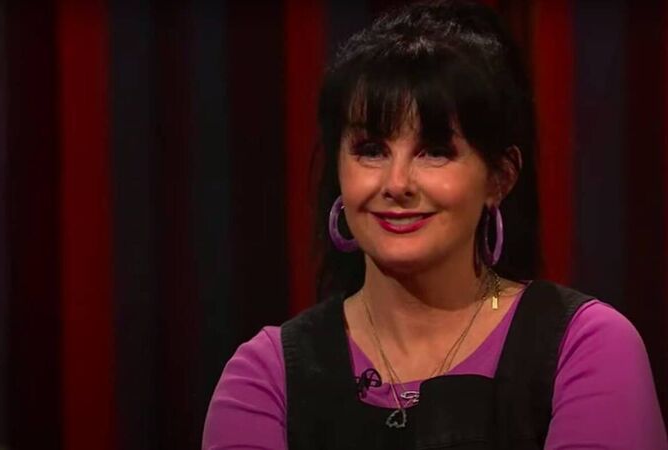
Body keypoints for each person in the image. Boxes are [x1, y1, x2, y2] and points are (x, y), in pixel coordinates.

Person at [203, 1, 668, 448]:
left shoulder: (585, 348)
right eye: (371, 150)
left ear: (500, 178)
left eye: (435, 151)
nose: (397, 183)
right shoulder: (266, 378)